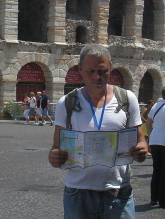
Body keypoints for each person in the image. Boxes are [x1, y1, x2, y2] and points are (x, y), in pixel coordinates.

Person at [48, 43, 148, 219]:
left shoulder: (127, 99)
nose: (97, 77)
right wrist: (54, 157)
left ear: (111, 67)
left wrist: (141, 150)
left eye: (102, 71)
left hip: (118, 192)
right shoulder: (67, 102)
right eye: (90, 71)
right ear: (80, 69)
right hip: (78, 192)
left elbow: (141, 140)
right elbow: (56, 147)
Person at [146, 88, 165, 208]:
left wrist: (150, 137)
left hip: (155, 140)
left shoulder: (157, 105)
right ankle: (163, 200)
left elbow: (148, 123)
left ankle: (154, 198)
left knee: (156, 170)